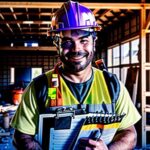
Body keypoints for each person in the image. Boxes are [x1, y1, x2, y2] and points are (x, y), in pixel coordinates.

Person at [11, 1, 141, 150]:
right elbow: (21, 137)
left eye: (84, 40)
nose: (76, 49)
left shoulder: (112, 85)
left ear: (94, 42)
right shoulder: (39, 88)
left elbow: (130, 134)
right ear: (57, 44)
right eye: (67, 42)